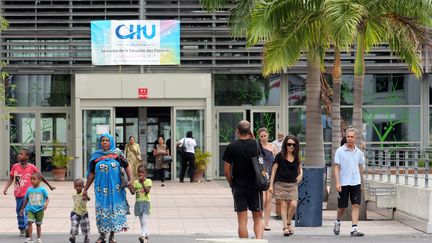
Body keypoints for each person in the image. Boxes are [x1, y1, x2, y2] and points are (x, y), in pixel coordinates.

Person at [83, 133, 133, 243]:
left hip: (116, 190)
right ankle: (102, 236)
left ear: (111, 142)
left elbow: (127, 165)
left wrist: (131, 180)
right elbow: (91, 174)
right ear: (100, 143)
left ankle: (112, 236)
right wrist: (85, 188)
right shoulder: (96, 156)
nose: (105, 142)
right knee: (101, 212)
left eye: (107, 140)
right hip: (101, 190)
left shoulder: (117, 154)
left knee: (113, 212)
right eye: (103, 140)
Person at [222, 120, 263, 239]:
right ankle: (259, 241)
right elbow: (260, 163)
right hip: (255, 186)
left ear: (237, 131)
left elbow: (226, 170)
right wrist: (254, 140)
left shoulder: (232, 146)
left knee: (242, 220)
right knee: (258, 217)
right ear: (249, 131)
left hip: (239, 187)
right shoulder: (256, 144)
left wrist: (232, 184)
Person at [3, 149, 55, 238]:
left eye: (21, 154)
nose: (18, 155)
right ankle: (22, 228)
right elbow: (11, 178)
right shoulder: (15, 166)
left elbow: (40, 177)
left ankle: (27, 227)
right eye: (19, 154)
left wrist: (49, 185)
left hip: (29, 195)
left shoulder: (32, 167)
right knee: (19, 211)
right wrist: (6, 188)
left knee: (27, 211)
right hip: (18, 195)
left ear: (27, 157)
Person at [333, 128, 365, 237]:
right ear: (346, 137)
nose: (350, 138)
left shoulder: (359, 153)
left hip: (355, 182)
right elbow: (336, 167)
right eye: (348, 136)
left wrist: (361, 182)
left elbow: (360, 168)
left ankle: (354, 228)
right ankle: (337, 221)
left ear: (355, 138)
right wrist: (337, 182)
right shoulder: (340, 151)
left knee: (356, 205)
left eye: (352, 137)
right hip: (343, 183)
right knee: (342, 207)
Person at [269, 135, 302, 236]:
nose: (291, 146)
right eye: (289, 144)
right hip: (280, 183)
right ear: (285, 145)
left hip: (292, 184)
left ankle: (288, 222)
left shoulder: (296, 157)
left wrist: (301, 175)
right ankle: (285, 227)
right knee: (283, 204)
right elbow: (274, 170)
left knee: (293, 204)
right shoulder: (280, 156)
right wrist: (271, 185)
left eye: (293, 144)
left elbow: (300, 168)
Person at [19, 172, 49, 243]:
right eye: (31, 179)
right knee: (29, 222)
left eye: (34, 179)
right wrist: (22, 209)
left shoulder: (43, 189)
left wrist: (46, 204)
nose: (32, 180)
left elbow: (47, 198)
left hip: (40, 210)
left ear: (39, 180)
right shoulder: (29, 189)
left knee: (38, 224)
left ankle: (39, 238)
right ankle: (30, 238)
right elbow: (26, 199)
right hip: (30, 209)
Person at [257, 127, 277, 231]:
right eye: (261, 136)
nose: (264, 138)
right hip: (260, 175)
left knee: (268, 200)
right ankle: (259, 220)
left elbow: (276, 162)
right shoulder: (257, 147)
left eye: (265, 136)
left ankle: (266, 223)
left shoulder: (272, 147)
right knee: (262, 200)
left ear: (268, 135)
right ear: (259, 137)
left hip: (270, 176)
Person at [130, 164, 152, 243]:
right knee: (142, 223)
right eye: (139, 172)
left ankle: (142, 236)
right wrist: (130, 185)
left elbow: (147, 191)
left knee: (143, 221)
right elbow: (133, 192)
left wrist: (142, 183)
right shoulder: (136, 182)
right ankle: (147, 235)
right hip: (138, 204)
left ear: (146, 173)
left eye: (142, 172)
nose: (140, 174)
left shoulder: (148, 181)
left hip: (146, 203)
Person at [69, 178, 90, 243]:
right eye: (76, 186)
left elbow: (88, 199)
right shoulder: (74, 194)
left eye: (80, 186)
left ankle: (86, 238)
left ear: (83, 186)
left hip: (83, 213)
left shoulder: (84, 193)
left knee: (85, 227)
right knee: (74, 225)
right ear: (74, 187)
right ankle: (73, 236)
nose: (78, 187)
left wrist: (86, 196)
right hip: (75, 212)